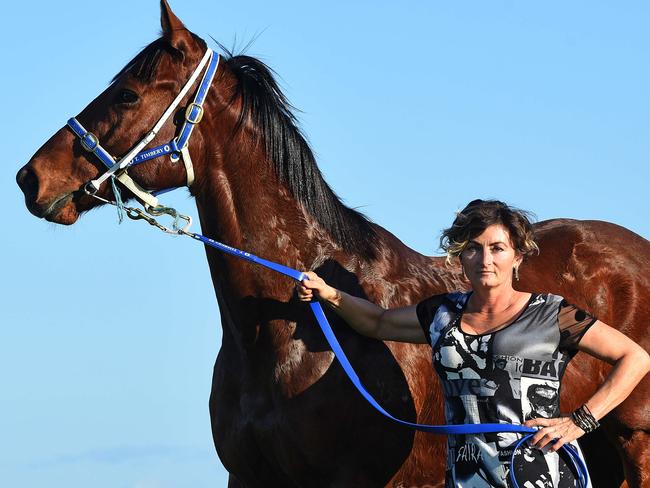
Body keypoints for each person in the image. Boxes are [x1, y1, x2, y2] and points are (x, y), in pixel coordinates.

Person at [297, 199, 650, 488]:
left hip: (538, 475)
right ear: (460, 257)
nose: (486, 260)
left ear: (518, 257)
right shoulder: (441, 314)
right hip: (467, 479)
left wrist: (578, 422)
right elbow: (375, 322)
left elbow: (634, 357)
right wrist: (329, 294)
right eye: (474, 249)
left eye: (497, 248)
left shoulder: (551, 313)